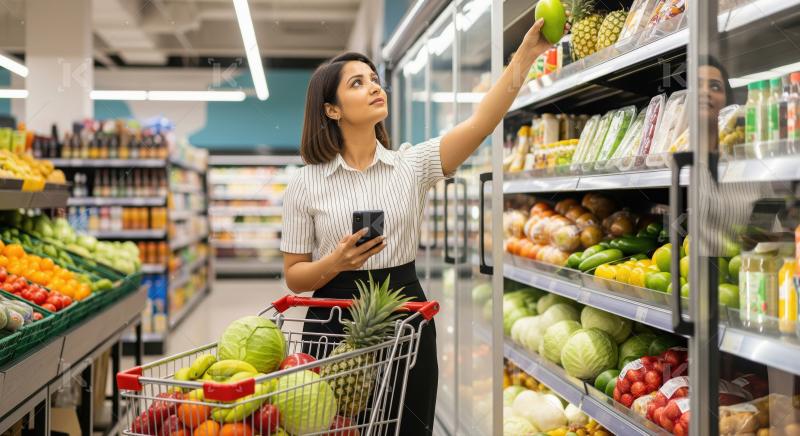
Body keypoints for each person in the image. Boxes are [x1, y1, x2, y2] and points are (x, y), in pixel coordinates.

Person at [280, 18, 553, 435]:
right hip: (333, 318)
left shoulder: (411, 165)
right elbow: (295, 277)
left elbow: (480, 123)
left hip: (406, 310)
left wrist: (526, 56)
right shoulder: (304, 182)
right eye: (357, 83)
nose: (374, 87)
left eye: (374, 79)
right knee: (338, 427)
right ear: (331, 109)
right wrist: (335, 261)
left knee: (408, 425)